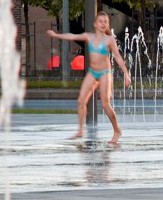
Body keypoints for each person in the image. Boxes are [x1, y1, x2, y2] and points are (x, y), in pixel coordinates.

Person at [47, 12, 131, 144]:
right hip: (93, 72)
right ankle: (80, 130)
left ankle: (117, 130)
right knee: (81, 101)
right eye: (101, 21)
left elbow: (118, 57)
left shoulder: (109, 40)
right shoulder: (89, 36)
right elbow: (72, 36)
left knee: (105, 104)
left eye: (106, 22)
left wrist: (126, 73)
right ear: (95, 24)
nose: (103, 24)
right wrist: (56, 35)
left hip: (104, 73)